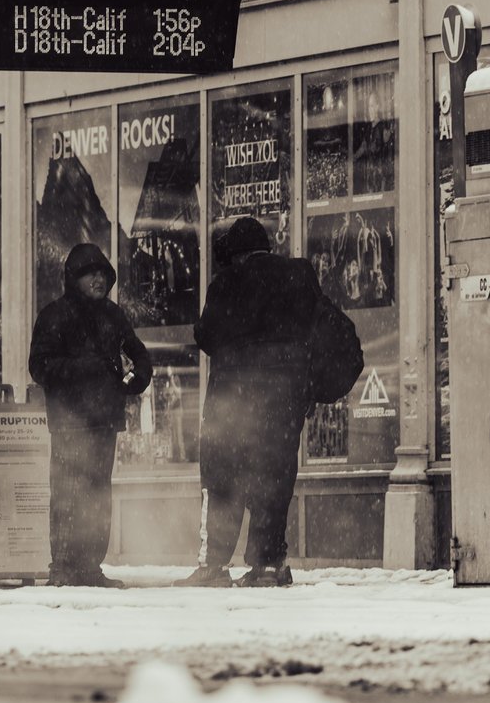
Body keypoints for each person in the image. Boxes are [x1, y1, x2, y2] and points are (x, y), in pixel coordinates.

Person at [175, 216, 320, 588]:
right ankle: (268, 564)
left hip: (232, 403)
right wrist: (307, 387)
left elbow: (207, 336)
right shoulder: (299, 277)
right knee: (273, 482)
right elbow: (321, 332)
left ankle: (214, 566)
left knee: (222, 482)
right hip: (283, 406)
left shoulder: (228, 282)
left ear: (237, 253)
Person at [29, 242, 152, 587]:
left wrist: (139, 375)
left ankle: (88, 566)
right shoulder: (55, 315)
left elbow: (137, 352)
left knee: (97, 495)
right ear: (74, 278)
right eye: (90, 274)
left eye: (102, 274)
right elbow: (39, 366)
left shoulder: (113, 315)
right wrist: (87, 368)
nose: (99, 280)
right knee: (69, 493)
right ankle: (64, 567)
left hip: (103, 420)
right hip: (70, 423)